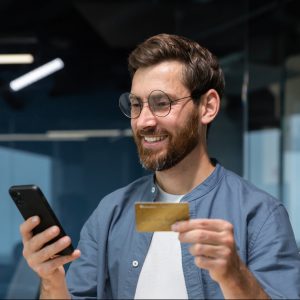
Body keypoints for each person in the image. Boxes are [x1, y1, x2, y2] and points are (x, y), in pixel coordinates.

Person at [20, 33, 300, 299]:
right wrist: (52, 279)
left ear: (208, 107)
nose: (144, 121)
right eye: (136, 105)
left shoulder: (259, 215)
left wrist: (234, 275)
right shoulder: (111, 213)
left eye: (161, 103)